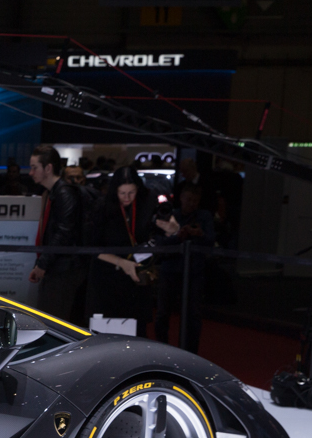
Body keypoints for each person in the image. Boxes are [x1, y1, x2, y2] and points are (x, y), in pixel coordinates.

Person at [86, 167, 155, 330]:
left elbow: (153, 236)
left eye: (131, 192)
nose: (127, 197)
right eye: (122, 193)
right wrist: (121, 262)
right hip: (107, 278)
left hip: (135, 279)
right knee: (106, 332)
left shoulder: (146, 204)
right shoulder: (102, 206)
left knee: (136, 331)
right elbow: (91, 246)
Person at [26, 144, 87, 325]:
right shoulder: (54, 192)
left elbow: (63, 233)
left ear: (48, 168)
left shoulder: (63, 193)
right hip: (57, 267)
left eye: (34, 167)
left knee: (54, 322)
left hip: (63, 270)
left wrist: (42, 264)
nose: (31, 172)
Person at [150, 183, 215, 351]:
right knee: (163, 313)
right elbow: (160, 242)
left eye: (195, 200)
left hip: (194, 271)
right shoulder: (170, 215)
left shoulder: (204, 216)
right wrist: (178, 236)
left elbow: (211, 241)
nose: (191, 203)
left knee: (193, 314)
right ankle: (161, 349)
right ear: (181, 198)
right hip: (170, 269)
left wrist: (200, 234)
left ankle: (190, 351)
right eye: (188, 199)